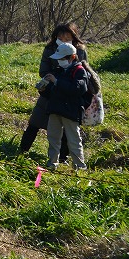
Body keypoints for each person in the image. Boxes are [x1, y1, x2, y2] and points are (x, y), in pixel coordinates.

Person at [19, 23, 86, 156]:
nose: (63, 39)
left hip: (70, 93)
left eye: (67, 37)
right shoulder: (50, 49)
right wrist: (53, 81)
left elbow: (82, 71)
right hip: (50, 91)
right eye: (60, 36)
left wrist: (65, 83)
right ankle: (22, 150)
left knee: (68, 127)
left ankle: (63, 157)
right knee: (36, 121)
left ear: (73, 36)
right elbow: (43, 70)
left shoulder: (80, 50)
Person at [38, 42, 89, 170]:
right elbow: (52, 91)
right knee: (53, 137)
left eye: (62, 59)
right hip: (55, 109)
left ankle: (79, 166)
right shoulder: (58, 71)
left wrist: (57, 82)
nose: (59, 61)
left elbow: (78, 89)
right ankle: (52, 163)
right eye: (58, 59)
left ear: (72, 57)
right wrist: (44, 89)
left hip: (70, 110)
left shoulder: (79, 71)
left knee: (73, 140)